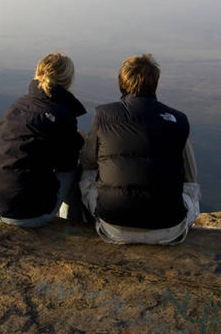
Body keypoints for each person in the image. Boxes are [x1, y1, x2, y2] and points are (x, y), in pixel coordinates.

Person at [79, 54, 201, 244]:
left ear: (121, 82)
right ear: (155, 83)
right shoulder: (178, 119)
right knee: (191, 185)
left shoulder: (103, 114)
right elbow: (191, 177)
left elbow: (87, 162)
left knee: (86, 174)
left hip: (113, 227)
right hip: (168, 230)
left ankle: (77, 223)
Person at [0, 52, 86, 227]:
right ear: (67, 80)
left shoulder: (18, 105)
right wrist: (79, 141)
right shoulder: (61, 114)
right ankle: (73, 225)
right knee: (75, 168)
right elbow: (66, 163)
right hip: (28, 215)